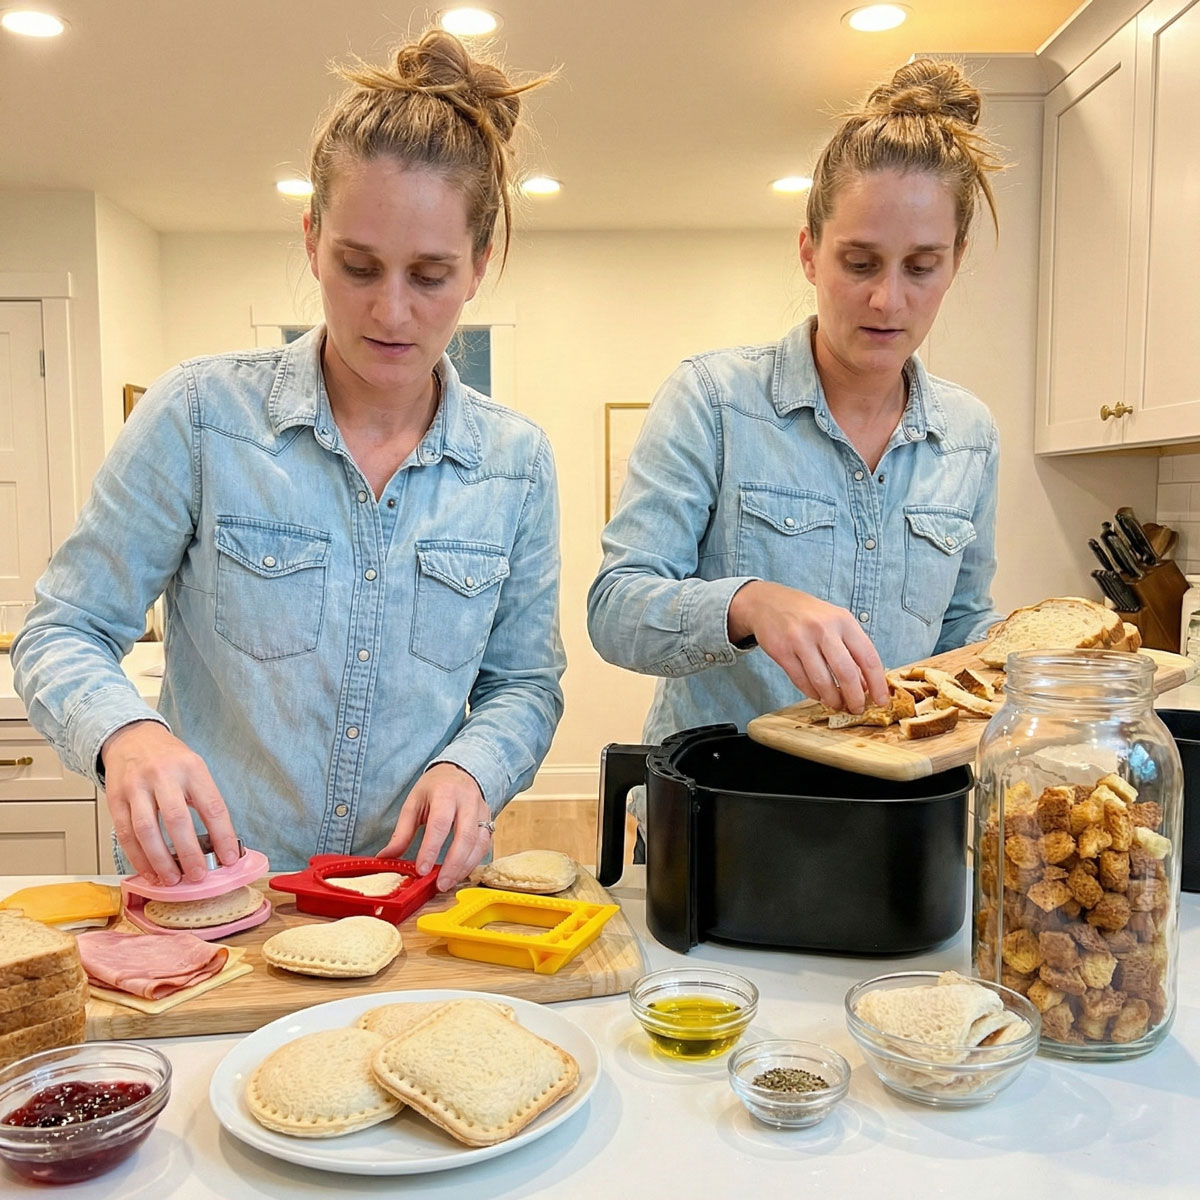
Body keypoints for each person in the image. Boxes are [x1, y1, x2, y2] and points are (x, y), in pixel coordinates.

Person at [12, 30, 564, 891]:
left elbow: (525, 684)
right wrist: (127, 733)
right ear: (312, 241)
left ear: (478, 268)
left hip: (411, 894)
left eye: (429, 275)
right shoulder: (199, 417)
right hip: (212, 886)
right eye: (357, 265)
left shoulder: (517, 465)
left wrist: (475, 768)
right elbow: (62, 631)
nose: (390, 310)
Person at [587, 60, 1005, 847]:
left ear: (955, 262)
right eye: (859, 263)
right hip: (719, 825)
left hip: (895, 834)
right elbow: (615, 610)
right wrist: (748, 604)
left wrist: (1028, 666)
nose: (888, 300)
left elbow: (963, 632)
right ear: (809, 253)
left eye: (922, 266)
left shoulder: (971, 434)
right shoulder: (714, 400)